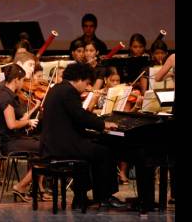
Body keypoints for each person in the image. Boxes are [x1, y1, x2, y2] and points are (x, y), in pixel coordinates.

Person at [39, 62, 127, 209]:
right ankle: (104, 197)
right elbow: (80, 116)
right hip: (61, 145)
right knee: (104, 151)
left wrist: (95, 129)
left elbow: (73, 119)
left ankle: (80, 198)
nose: (87, 87)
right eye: (86, 83)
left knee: (94, 147)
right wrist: (103, 125)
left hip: (55, 142)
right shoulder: (68, 91)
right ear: (79, 79)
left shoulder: (59, 89)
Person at [0, 64, 52, 203]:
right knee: (48, 149)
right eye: (23, 80)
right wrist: (28, 123)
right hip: (8, 142)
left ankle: (37, 189)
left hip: (12, 138)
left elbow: (19, 119)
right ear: (16, 80)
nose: (24, 83)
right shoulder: (6, 98)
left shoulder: (7, 94)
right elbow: (12, 124)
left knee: (42, 143)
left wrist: (33, 111)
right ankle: (20, 186)